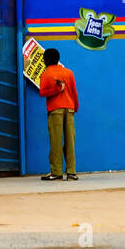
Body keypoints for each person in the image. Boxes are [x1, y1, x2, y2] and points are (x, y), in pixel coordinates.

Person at [38, 47, 79, 181]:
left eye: (44, 58)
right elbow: (74, 92)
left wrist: (56, 89)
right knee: (70, 141)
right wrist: (75, 107)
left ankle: (56, 172)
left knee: (56, 141)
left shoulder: (46, 74)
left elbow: (43, 92)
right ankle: (71, 172)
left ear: (47, 60)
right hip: (70, 108)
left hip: (55, 110)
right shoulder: (68, 72)